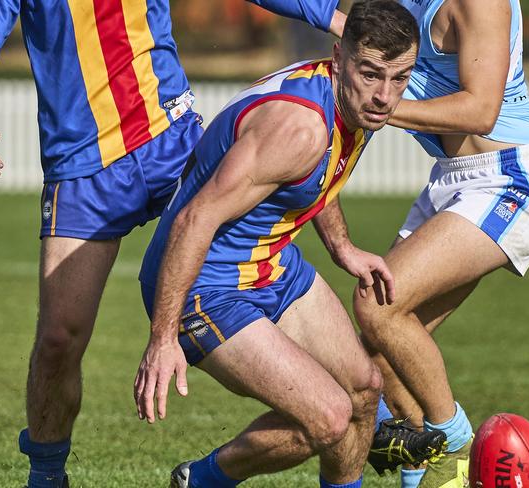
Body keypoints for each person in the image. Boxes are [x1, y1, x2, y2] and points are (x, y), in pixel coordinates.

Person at [0, 1, 347, 486]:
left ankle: (377, 406)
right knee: (58, 338)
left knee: (254, 247)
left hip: (170, 141)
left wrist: (328, 16)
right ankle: (47, 475)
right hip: (82, 171)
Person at [134, 2, 420, 486]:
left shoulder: (350, 103)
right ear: (340, 57)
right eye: (371, 74)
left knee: (366, 390)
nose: (384, 96)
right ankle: (202, 480)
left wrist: (342, 248)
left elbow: (310, 176)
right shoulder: (298, 129)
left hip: (269, 263)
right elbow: (193, 220)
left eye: (400, 78)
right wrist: (162, 340)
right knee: (329, 418)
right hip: (205, 285)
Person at [316, 0, 529, 486]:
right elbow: (340, 30)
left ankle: (453, 441)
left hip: (508, 179)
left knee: (377, 305)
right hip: (452, 180)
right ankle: (434, 476)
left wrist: (375, 105)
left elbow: (480, 110)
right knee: (381, 356)